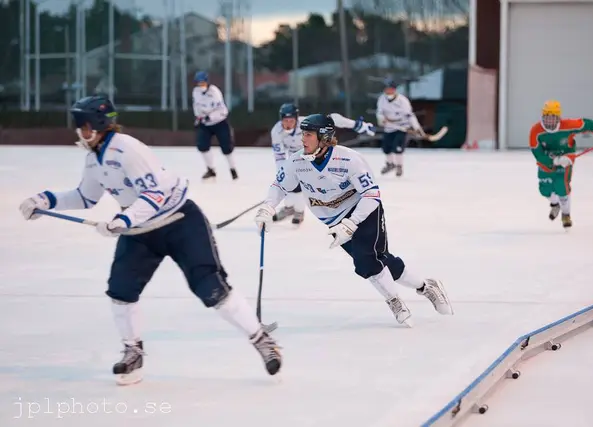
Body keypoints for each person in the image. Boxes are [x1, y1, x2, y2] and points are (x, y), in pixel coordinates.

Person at [18, 95, 281, 385]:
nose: (78, 131)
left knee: (211, 288)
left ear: (95, 125)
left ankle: (261, 339)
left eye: (81, 125)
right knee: (120, 291)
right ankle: (133, 351)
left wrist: (123, 220)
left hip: (179, 222)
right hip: (141, 233)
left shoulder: (127, 149)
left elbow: (154, 195)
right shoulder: (94, 159)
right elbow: (85, 196)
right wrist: (45, 200)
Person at [255, 114, 453, 327]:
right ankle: (426, 286)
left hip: (364, 212)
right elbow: (279, 186)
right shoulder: (297, 161)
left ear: (324, 137)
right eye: (303, 133)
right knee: (379, 261)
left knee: (364, 259)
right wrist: (268, 207)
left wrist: (350, 224)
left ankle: (394, 301)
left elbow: (371, 195)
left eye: (309, 134)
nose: (303, 139)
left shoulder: (349, 159)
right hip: (332, 219)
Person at [270, 102, 376, 226]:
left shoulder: (305, 123)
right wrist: (283, 172)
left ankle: (298, 210)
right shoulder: (276, 131)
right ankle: (290, 207)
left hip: (317, 155)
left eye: (291, 120)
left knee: (308, 185)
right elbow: (279, 155)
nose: (288, 124)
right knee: (290, 184)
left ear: (297, 118)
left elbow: (332, 119)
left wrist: (357, 125)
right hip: (298, 158)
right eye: (285, 121)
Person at [530, 100, 593, 228]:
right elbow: (537, 153)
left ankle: (566, 214)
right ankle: (555, 205)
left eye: (553, 117)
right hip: (546, 162)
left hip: (566, 159)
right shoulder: (536, 131)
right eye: (547, 117)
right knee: (544, 190)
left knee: (561, 187)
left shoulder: (568, 125)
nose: (549, 121)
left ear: (559, 117)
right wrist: (553, 161)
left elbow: (588, 124)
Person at [375, 78, 426, 177]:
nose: (388, 91)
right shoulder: (382, 99)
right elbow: (379, 112)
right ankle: (390, 164)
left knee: (398, 147)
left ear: (394, 89)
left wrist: (417, 127)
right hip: (389, 127)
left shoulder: (402, 100)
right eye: (387, 89)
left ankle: (399, 166)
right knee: (386, 148)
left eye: (390, 89)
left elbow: (409, 115)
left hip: (402, 127)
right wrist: (381, 119)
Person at [192, 71, 238, 180]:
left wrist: (211, 116)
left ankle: (233, 169)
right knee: (202, 145)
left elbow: (220, 109)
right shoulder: (196, 92)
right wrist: (198, 117)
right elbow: (196, 106)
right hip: (205, 123)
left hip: (220, 121)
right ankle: (210, 169)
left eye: (202, 83)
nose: (200, 86)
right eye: (198, 83)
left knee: (226, 147)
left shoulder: (214, 92)